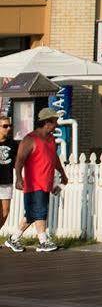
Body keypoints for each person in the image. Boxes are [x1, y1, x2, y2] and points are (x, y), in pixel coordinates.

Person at [7, 108, 67, 253]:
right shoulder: (30, 139)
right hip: (34, 184)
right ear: (47, 122)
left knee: (32, 214)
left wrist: (62, 173)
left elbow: (54, 157)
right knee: (40, 212)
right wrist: (19, 178)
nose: (57, 124)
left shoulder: (51, 139)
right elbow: (19, 160)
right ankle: (43, 242)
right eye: (54, 122)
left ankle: (13, 239)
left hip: (46, 182)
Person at [0, 116, 13, 233]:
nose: (8, 128)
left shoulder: (12, 143)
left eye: (9, 126)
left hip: (7, 182)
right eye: (5, 126)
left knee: (5, 212)